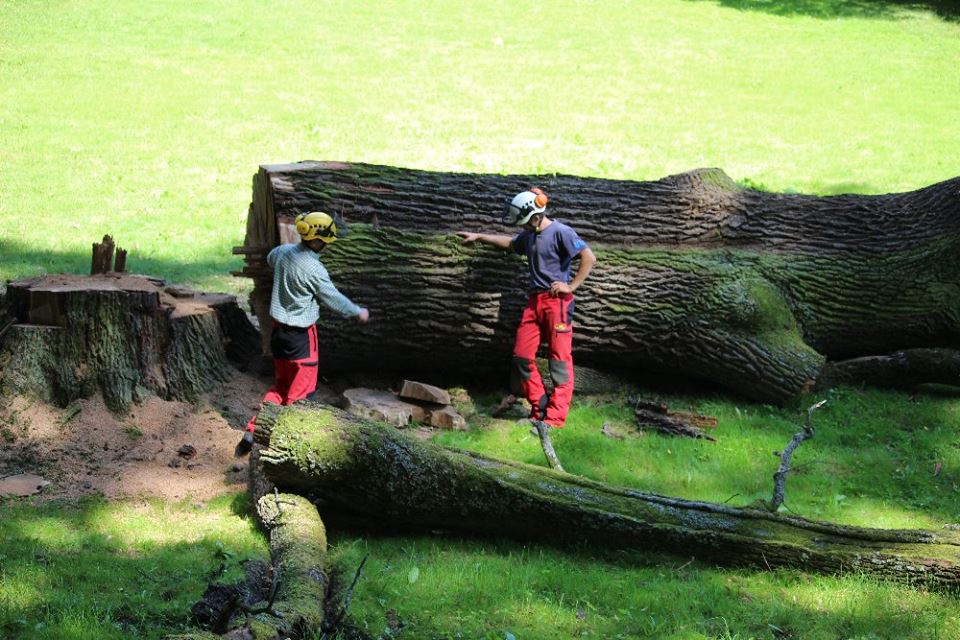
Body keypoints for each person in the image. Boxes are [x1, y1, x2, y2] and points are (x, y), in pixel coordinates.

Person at [457, 188, 596, 429]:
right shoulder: (529, 235)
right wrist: (479, 237)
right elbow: (511, 244)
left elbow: (588, 257)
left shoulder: (561, 232)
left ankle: (554, 420)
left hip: (558, 304)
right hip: (534, 302)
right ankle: (539, 406)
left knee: (559, 362)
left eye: (525, 224)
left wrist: (571, 286)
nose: (523, 228)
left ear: (535, 217)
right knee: (521, 357)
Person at [237, 211, 369, 455]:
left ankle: (253, 429)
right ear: (319, 241)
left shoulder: (281, 254)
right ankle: (285, 446)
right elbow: (333, 298)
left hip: (277, 334)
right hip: (301, 338)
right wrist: (356, 311)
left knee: (281, 386)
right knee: (300, 396)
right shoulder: (314, 269)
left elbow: (270, 257)